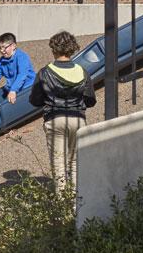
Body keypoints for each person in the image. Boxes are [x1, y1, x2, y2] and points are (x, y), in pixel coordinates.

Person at [29, 31, 96, 191]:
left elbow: (35, 100)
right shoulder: (82, 71)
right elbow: (91, 100)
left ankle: (63, 207)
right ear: (72, 49)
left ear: (53, 49)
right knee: (75, 162)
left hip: (55, 119)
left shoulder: (45, 72)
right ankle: (76, 203)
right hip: (78, 119)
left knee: (58, 163)